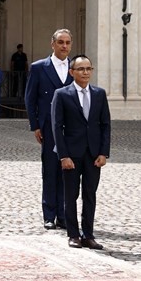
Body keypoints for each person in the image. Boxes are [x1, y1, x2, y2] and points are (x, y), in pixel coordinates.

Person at [51, 54, 110, 250]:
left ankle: (88, 235)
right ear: (72, 72)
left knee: (90, 194)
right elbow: (57, 127)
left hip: (93, 153)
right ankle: (73, 234)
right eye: (81, 69)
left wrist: (104, 152)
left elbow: (105, 125)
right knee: (71, 195)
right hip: (71, 153)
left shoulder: (100, 94)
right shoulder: (62, 94)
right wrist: (63, 155)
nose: (85, 72)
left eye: (88, 69)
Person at [25, 29, 73, 231]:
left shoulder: (76, 67)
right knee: (50, 170)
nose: (64, 46)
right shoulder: (38, 67)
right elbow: (30, 98)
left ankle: (64, 215)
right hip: (48, 125)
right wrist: (35, 125)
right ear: (52, 44)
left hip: (72, 127)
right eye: (60, 42)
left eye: (68, 42)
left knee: (68, 171)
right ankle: (49, 214)